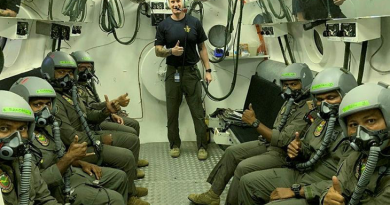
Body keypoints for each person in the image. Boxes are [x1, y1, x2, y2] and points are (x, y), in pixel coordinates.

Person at [188, 63, 314, 205]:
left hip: (284, 154)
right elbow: (277, 127)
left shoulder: (307, 110)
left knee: (243, 167)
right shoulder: (291, 101)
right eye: (286, 85)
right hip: (269, 143)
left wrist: (254, 123)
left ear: (305, 84)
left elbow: (283, 140)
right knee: (231, 153)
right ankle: (213, 195)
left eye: (294, 84)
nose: (289, 89)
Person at [40, 51, 149, 205]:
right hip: (80, 147)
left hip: (88, 138)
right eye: (61, 72)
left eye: (70, 73)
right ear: (50, 73)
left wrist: (106, 111)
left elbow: (88, 115)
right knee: (125, 156)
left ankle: (128, 189)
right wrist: (100, 139)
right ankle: (129, 195)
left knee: (130, 141)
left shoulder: (71, 93)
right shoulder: (53, 102)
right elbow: (70, 138)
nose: (67, 77)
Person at [238, 67, 357, 205]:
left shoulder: (355, 132)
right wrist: (298, 149)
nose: (324, 105)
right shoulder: (320, 119)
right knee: (248, 182)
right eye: (319, 99)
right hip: (302, 172)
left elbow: (346, 183)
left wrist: (297, 191)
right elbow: (308, 148)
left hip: (322, 186)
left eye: (331, 97)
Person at [10, 76, 137, 205]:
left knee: (119, 177)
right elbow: (35, 186)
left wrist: (80, 163)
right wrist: (68, 159)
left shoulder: (47, 127)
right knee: (115, 199)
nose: (45, 110)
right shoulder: (19, 142)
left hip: (70, 171)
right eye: (37, 105)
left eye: (48, 104)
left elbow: (60, 153)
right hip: (56, 188)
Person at [70, 50, 148, 168]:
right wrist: (112, 105)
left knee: (134, 124)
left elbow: (92, 105)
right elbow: (89, 110)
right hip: (93, 124)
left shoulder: (85, 85)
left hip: (99, 117)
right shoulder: (74, 88)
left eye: (89, 67)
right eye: (82, 67)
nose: (87, 71)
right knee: (131, 132)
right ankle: (130, 164)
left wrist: (111, 112)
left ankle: (132, 162)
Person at [155, 0, 212, 160]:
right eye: (172, 1)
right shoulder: (163, 26)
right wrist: (171, 51)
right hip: (173, 73)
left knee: (198, 112)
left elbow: (202, 48)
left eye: (178, 0)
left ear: (183, 3)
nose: (175, 4)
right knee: (172, 112)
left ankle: (202, 147)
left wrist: (208, 70)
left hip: (191, 73)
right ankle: (174, 145)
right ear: (169, 4)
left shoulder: (194, 23)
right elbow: (158, 51)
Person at [322, 83, 390, 205]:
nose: (360, 133)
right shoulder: (354, 157)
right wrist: (327, 198)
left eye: (370, 121)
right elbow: (338, 188)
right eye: (353, 125)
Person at [0, 90, 61, 205]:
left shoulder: (24, 161)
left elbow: (44, 198)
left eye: (22, 128)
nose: (17, 138)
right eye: (4, 128)